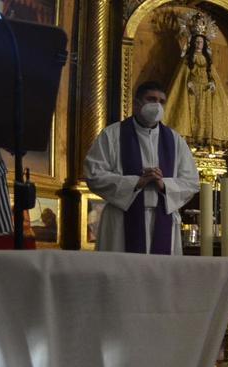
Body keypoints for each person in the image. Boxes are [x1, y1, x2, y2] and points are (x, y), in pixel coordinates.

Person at [84, 81, 200, 254]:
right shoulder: (112, 135)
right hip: (122, 221)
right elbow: (94, 175)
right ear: (136, 104)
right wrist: (137, 182)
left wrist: (164, 185)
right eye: (151, 99)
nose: (157, 105)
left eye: (161, 101)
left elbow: (191, 182)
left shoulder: (175, 141)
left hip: (164, 217)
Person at [165, 32, 228, 153]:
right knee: (194, 113)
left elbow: (211, 75)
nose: (199, 44)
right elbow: (183, 75)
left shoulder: (208, 60)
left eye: (201, 42)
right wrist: (188, 82)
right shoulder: (189, 58)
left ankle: (205, 142)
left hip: (206, 91)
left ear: (205, 44)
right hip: (192, 91)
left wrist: (213, 83)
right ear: (193, 43)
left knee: (205, 114)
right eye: (197, 42)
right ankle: (192, 142)